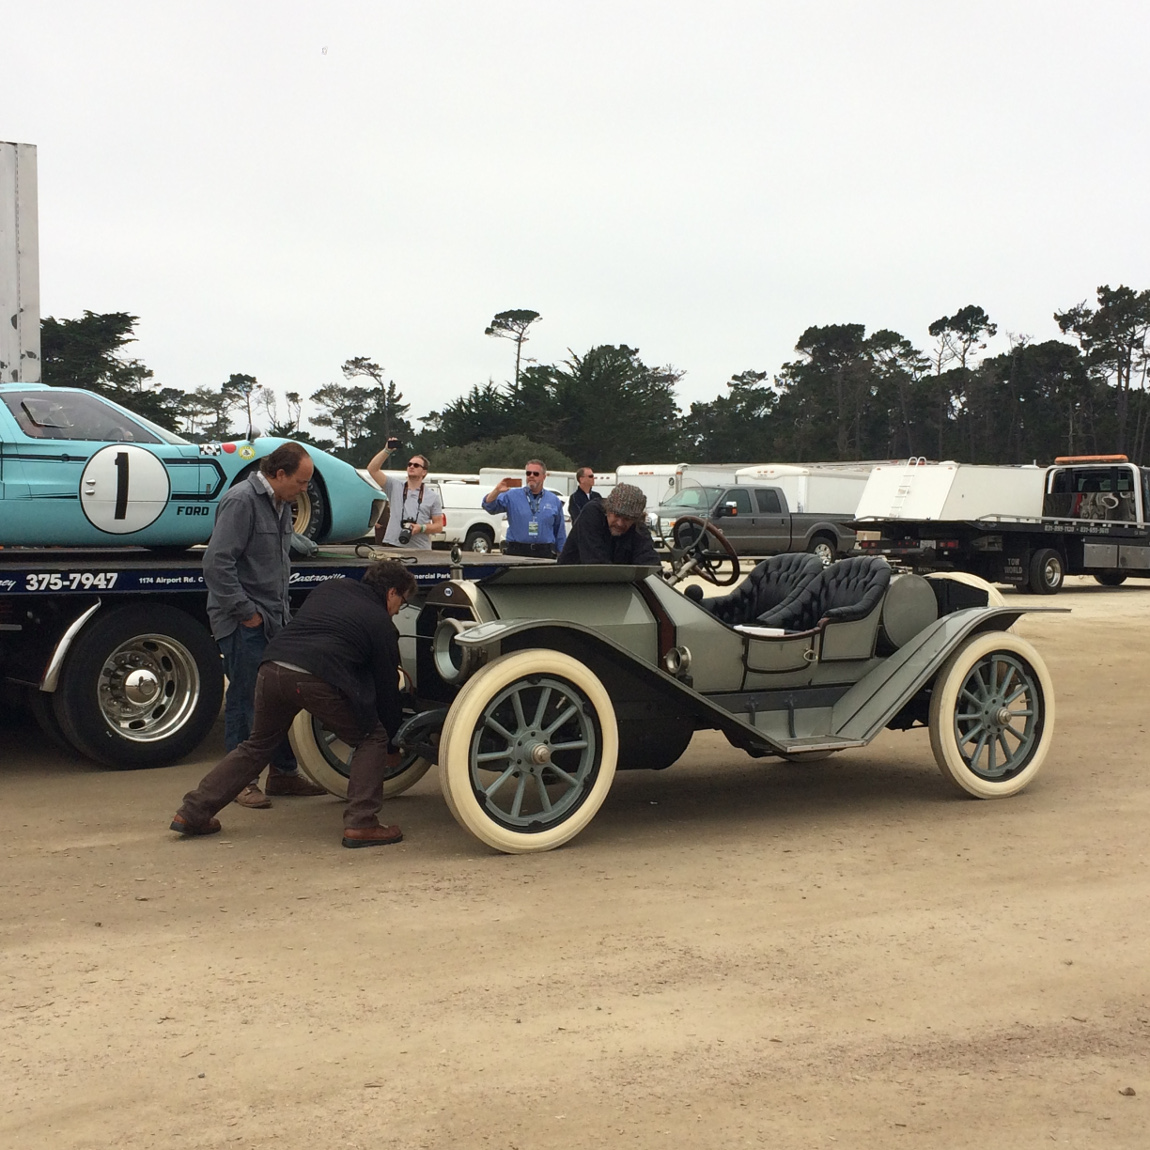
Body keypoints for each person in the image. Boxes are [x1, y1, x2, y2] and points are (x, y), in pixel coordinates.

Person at [170, 560, 418, 848]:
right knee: (371, 738)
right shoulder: (381, 624)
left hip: (272, 666)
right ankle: (362, 824)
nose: (400, 609)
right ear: (391, 593)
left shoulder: (330, 587)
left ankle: (193, 812)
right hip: (314, 677)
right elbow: (387, 690)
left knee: (257, 745)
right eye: (403, 600)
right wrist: (391, 746)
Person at [202, 442, 326, 808]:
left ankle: (283, 775)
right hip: (246, 622)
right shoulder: (242, 502)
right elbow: (216, 564)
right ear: (280, 474)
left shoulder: (280, 505)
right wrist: (246, 613)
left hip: (274, 618)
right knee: (244, 698)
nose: (305, 490)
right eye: (301, 482)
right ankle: (239, 782)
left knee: (280, 696)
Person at [557, 483, 661, 566]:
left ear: (636, 519)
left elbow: (650, 563)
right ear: (607, 509)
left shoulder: (638, 527)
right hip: (572, 585)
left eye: (627, 519)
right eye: (616, 515)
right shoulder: (592, 513)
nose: (620, 523)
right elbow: (595, 564)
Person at [365, 440, 446, 548]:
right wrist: (387, 450)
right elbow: (372, 469)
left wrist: (421, 528)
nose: (411, 466)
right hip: (393, 544)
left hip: (419, 548)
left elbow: (438, 526)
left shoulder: (432, 496)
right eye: (409, 464)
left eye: (416, 465)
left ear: (424, 472)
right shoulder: (394, 486)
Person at [482, 459, 567, 558]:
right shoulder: (512, 495)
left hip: (544, 551)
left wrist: (562, 554)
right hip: (517, 550)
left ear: (544, 477)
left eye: (536, 474)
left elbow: (559, 530)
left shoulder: (554, 500)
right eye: (528, 473)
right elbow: (489, 507)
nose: (531, 476)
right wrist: (497, 490)